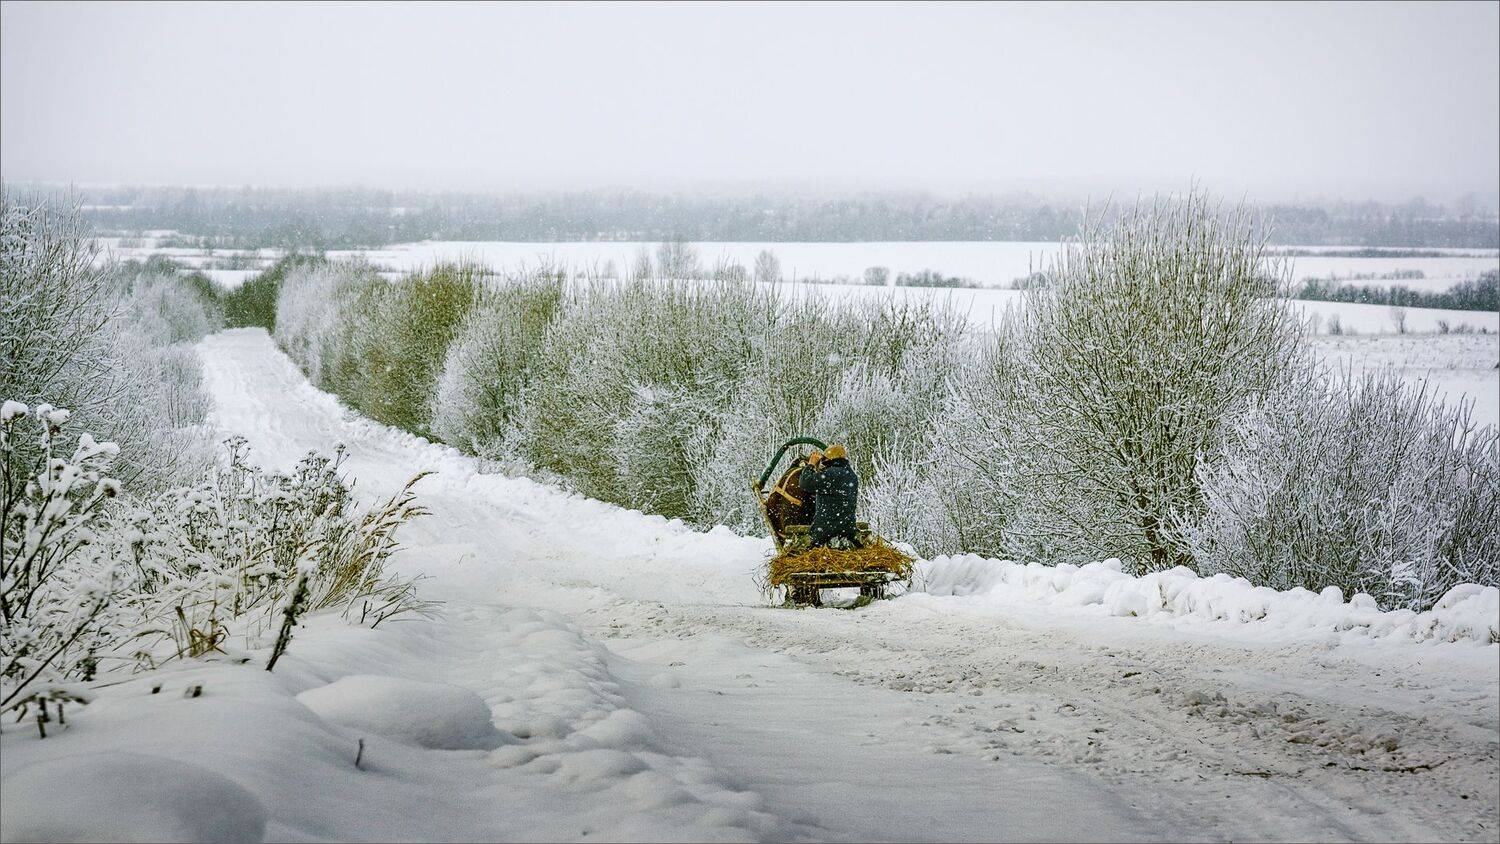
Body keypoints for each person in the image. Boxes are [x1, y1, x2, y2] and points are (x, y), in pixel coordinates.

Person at [798, 444, 859, 548]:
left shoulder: (829, 475)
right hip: (848, 530)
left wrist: (811, 465)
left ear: (828, 459)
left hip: (825, 531)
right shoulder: (852, 475)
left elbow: (804, 483)